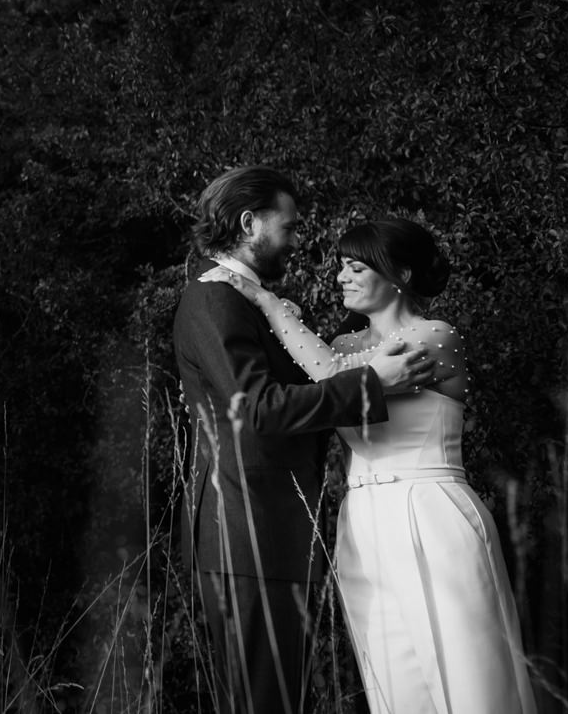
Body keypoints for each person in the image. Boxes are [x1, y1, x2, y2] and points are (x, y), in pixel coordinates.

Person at [201, 215, 538, 713]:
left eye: (356, 266)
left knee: (468, 672)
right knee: (394, 680)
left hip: (431, 511)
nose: (342, 277)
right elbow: (307, 391)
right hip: (362, 522)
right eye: (341, 266)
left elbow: (335, 378)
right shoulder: (341, 346)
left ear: (400, 275)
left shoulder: (435, 336)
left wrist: (272, 306)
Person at [174, 167, 437, 714]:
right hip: (246, 529)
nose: (296, 241)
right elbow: (259, 409)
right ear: (250, 223)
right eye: (288, 227)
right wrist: (372, 383)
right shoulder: (214, 299)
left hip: (272, 530)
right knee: (262, 701)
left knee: (280, 697)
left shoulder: (247, 301)